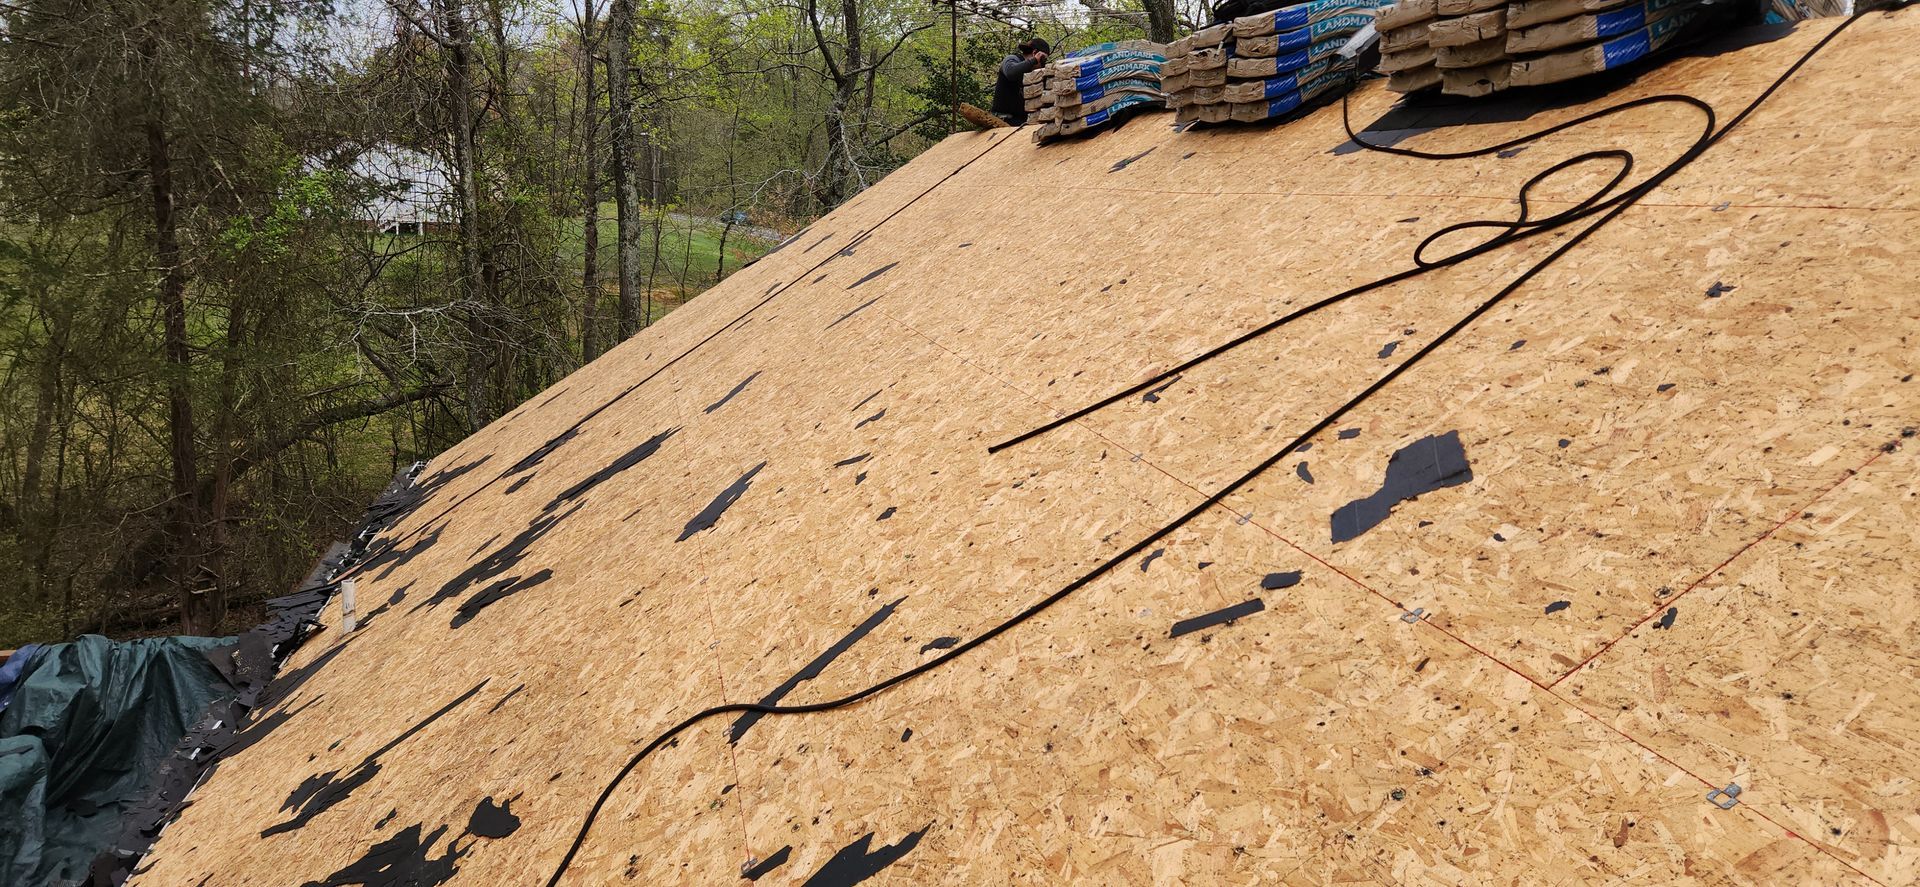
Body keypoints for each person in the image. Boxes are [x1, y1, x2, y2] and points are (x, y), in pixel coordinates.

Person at [990, 38, 1051, 126]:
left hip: (1020, 122)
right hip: (1003, 119)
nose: (1043, 65)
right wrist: (1034, 61)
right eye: (1043, 60)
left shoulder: (1034, 74)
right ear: (1035, 53)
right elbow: (1011, 72)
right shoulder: (1012, 60)